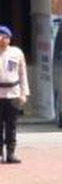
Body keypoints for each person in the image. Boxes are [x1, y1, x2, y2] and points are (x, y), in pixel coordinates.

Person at [0, 25, 29, 164]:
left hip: (13, 93)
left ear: (9, 39)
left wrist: (24, 93)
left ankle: (11, 153)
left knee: (11, 126)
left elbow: (22, 74)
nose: (2, 39)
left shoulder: (16, 53)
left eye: (4, 37)